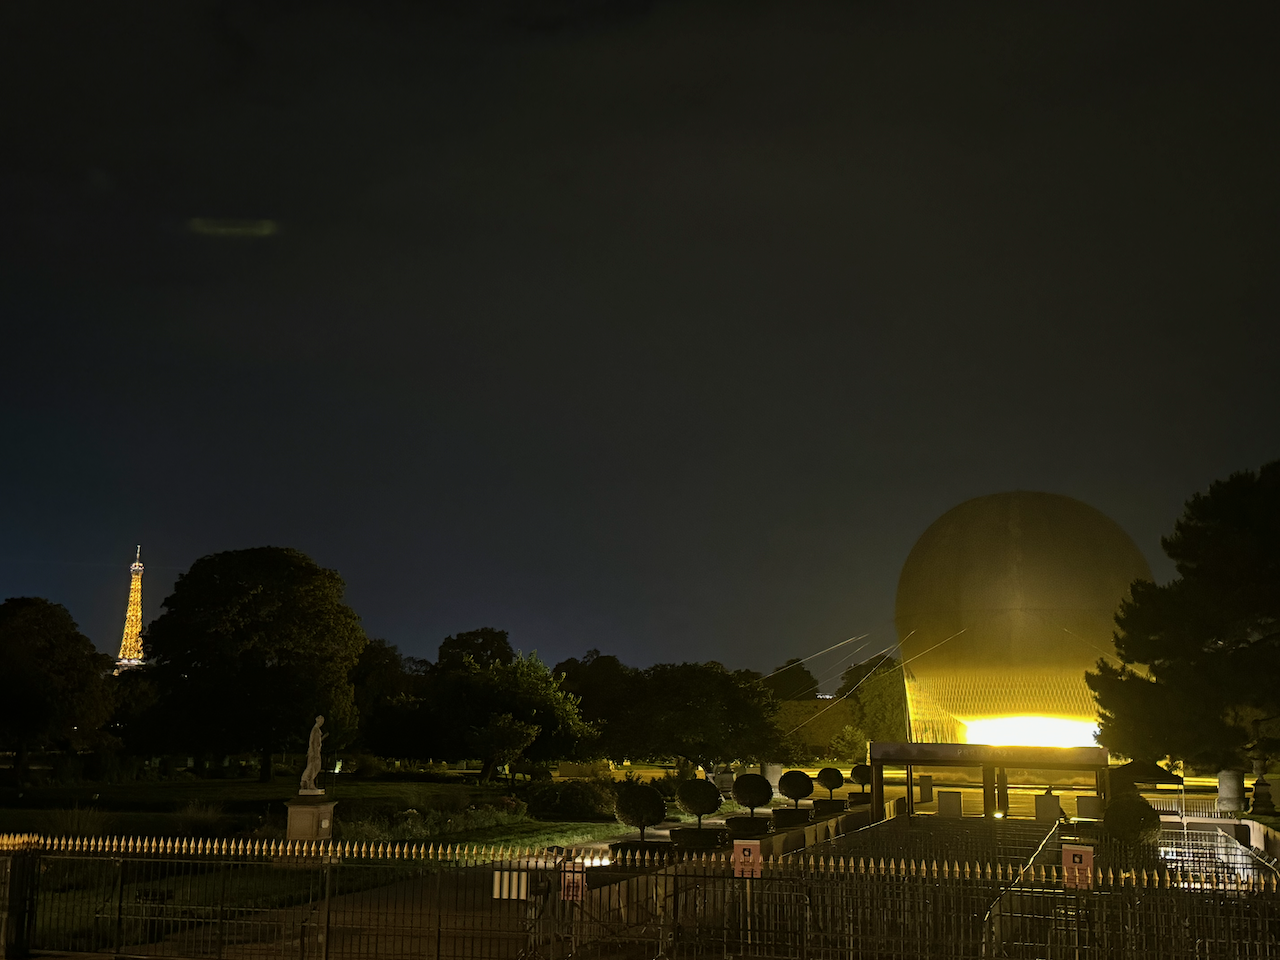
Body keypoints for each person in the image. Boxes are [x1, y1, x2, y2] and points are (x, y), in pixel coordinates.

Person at [299, 715, 326, 792]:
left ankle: (308, 781)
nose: (322, 723)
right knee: (313, 766)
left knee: (315, 767)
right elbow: (313, 743)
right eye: (321, 721)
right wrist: (314, 752)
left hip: (316, 751)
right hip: (314, 752)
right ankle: (307, 781)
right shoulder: (315, 730)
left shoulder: (316, 730)